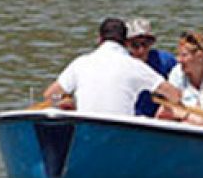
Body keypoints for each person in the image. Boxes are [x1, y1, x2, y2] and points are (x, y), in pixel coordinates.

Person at [41, 18, 183, 117]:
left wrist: (63, 103)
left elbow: (50, 95)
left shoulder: (80, 63)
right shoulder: (135, 66)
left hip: (86, 130)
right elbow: (174, 95)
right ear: (125, 42)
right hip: (122, 133)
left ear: (99, 39)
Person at [160, 30, 203, 126]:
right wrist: (190, 117)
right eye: (178, 55)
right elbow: (167, 107)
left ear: (200, 56)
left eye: (184, 55)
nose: (178, 59)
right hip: (184, 122)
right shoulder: (177, 72)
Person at [125, 18, 178, 117]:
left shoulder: (166, 61)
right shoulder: (121, 63)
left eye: (145, 44)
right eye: (135, 45)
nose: (141, 50)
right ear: (126, 44)